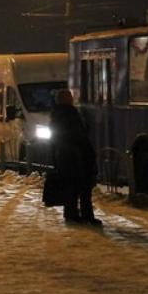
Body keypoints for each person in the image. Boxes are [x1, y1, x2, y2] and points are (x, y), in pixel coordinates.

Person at [50, 89, 100, 225]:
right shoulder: (69, 113)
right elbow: (77, 134)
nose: (72, 99)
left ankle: (72, 213)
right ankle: (85, 215)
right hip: (75, 155)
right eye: (69, 97)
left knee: (71, 186)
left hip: (66, 155)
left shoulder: (56, 114)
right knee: (82, 186)